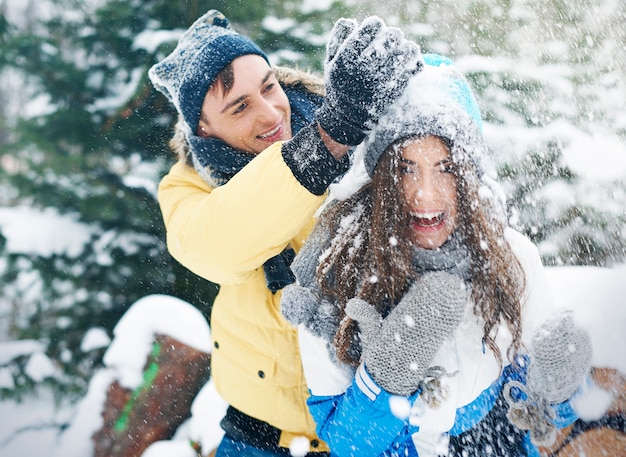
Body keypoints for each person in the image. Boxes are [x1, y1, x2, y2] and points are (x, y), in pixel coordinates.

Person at [280, 54, 593, 456]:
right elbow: (346, 442)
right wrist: (382, 382)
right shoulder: (336, 271)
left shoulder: (509, 255)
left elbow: (537, 409)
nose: (426, 194)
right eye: (406, 168)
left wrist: (561, 387)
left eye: (445, 168)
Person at [148, 9, 423, 457]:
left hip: (371, 422)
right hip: (259, 438)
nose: (270, 112)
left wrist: (406, 98)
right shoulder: (189, 184)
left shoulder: (349, 121)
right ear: (202, 128)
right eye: (239, 106)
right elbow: (216, 246)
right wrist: (326, 142)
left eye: (268, 86)